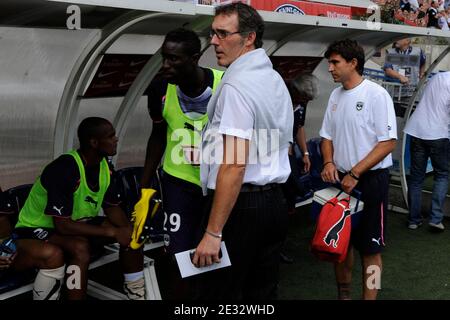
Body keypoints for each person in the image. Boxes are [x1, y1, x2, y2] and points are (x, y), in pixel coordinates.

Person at [192, 2, 293, 299]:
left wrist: (212, 233)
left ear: (249, 38)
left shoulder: (237, 85)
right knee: (260, 294)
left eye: (223, 34)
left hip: (240, 209)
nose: (213, 41)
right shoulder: (273, 78)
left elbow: (234, 165)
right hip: (274, 203)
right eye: (213, 33)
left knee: (215, 294)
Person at [11, 117, 144, 300]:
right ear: (94, 142)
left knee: (132, 234)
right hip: (36, 228)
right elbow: (63, 226)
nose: (116, 139)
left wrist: (127, 230)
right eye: (110, 136)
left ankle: (137, 292)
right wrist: (113, 232)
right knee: (79, 248)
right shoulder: (65, 169)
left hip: (75, 224)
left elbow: (111, 207)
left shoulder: (105, 166)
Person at [140, 28, 223, 299]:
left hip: (217, 184)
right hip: (178, 183)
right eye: (164, 57)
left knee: (215, 254)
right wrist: (145, 187)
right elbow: (158, 135)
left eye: (174, 59)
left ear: (195, 58)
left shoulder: (226, 85)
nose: (166, 65)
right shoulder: (159, 88)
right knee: (179, 256)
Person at [320, 39, 397, 300]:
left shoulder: (376, 95)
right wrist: (329, 163)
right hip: (341, 181)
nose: (330, 68)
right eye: (329, 62)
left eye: (335, 62)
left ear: (353, 63)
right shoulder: (334, 95)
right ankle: (344, 296)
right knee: (339, 245)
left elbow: (387, 143)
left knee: (371, 249)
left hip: (370, 181)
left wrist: (355, 173)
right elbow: (326, 136)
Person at [404, 71, 450, 231]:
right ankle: (436, 218)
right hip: (438, 133)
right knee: (442, 175)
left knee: (416, 178)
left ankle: (413, 220)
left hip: (417, 129)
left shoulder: (438, 77)